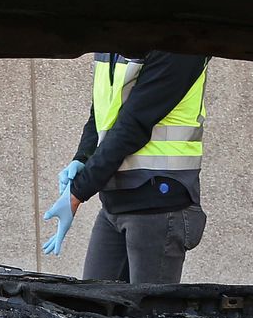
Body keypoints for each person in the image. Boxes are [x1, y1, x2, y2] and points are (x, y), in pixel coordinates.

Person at [41, 51, 208, 283]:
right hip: (114, 203)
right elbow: (99, 112)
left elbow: (133, 125)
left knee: (149, 315)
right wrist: (82, 157)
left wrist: (78, 192)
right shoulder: (111, 47)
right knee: (93, 309)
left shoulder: (179, 48)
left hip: (159, 204)